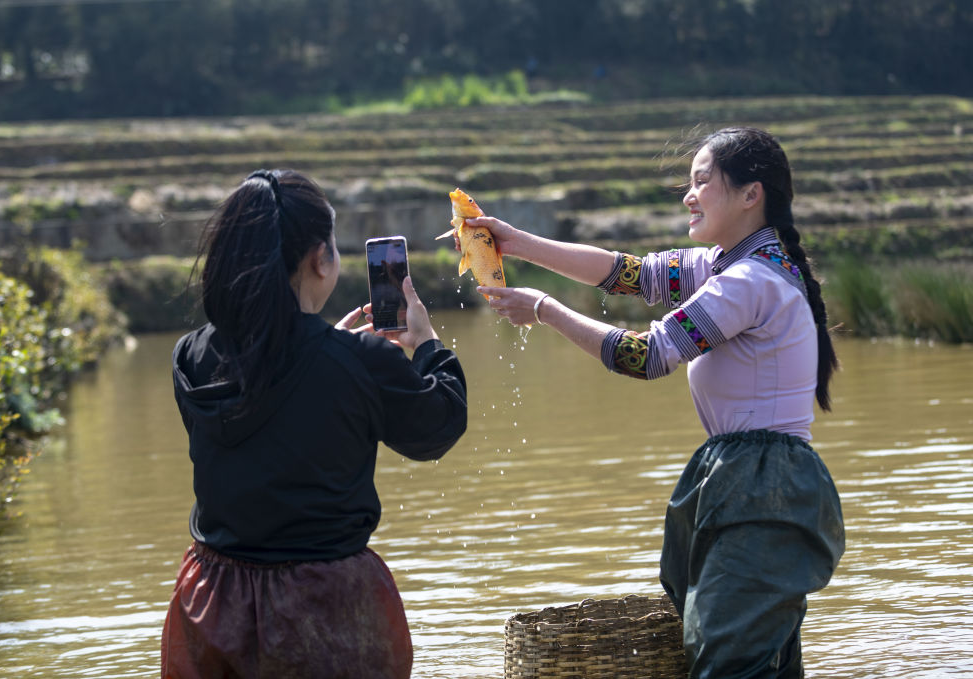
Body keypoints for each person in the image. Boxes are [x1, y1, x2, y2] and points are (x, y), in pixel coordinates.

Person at [470, 127, 845, 678]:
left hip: (764, 488)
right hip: (752, 481)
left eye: (701, 182)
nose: (688, 195)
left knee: (729, 662)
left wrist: (545, 310)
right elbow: (628, 274)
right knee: (756, 659)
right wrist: (513, 241)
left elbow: (645, 357)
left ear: (750, 194)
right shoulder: (729, 265)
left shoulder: (747, 282)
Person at [162, 169, 468, 678]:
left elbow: (269, 400)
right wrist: (427, 346)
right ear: (319, 260)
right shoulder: (356, 361)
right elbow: (437, 426)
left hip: (213, 600)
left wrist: (332, 348)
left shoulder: (190, 354)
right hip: (325, 605)